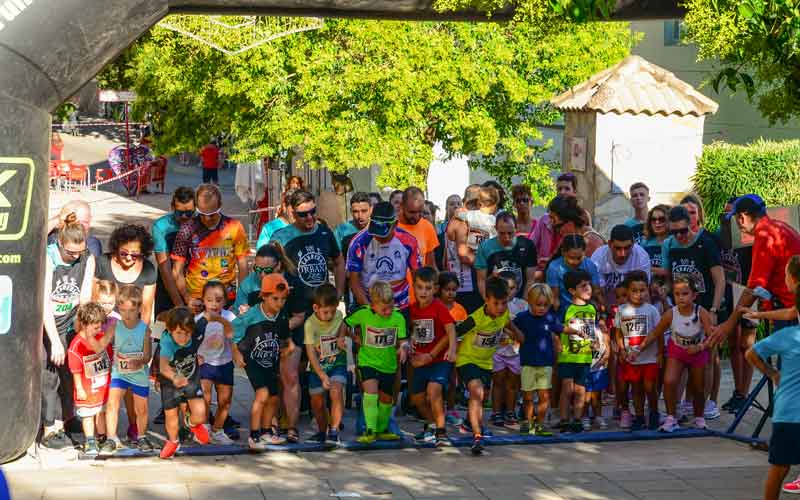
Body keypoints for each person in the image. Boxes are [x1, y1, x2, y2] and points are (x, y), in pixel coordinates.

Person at [662, 204, 725, 419]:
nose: (679, 236)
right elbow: (672, 279)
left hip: (706, 307)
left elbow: (720, 279)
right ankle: (680, 406)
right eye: (674, 231)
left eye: (683, 230)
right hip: (682, 310)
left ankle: (706, 403)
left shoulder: (705, 244)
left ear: (691, 225)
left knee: (707, 358)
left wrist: (714, 309)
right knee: (679, 355)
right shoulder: (671, 246)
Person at [42, 214, 97, 448]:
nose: (75, 257)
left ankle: (68, 417)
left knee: (71, 372)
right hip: (47, 321)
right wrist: (54, 340)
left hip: (70, 319)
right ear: (60, 243)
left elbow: (84, 297)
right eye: (70, 253)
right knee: (50, 372)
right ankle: (48, 427)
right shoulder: (49, 257)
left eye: (79, 252)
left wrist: (84, 333)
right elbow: (44, 301)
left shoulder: (87, 258)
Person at [634, 276, 714, 432]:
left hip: (697, 352)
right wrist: (639, 347)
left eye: (685, 294)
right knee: (669, 381)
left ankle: (699, 417)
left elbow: (712, 337)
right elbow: (655, 333)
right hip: (677, 351)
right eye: (677, 294)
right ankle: (671, 417)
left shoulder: (701, 312)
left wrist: (700, 347)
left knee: (698, 387)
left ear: (694, 295)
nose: (681, 297)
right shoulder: (671, 313)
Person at [455, 276, 524, 455]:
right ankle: (477, 436)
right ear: (487, 300)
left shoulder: (504, 315)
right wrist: (450, 352)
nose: (500, 308)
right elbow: (453, 332)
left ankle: (469, 423)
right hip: (467, 359)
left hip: (486, 362)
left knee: (481, 398)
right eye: (496, 303)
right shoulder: (475, 319)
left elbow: (511, 327)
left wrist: (516, 334)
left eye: (504, 303)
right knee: (476, 392)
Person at [717, 194, 800, 337]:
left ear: (742, 218)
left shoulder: (764, 236)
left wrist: (729, 324)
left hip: (790, 312)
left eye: (735, 218)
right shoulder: (780, 226)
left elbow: (754, 288)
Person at [232, 274, 295, 449]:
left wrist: (289, 345)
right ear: (264, 296)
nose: (279, 303)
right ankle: (254, 436)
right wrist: (236, 352)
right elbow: (234, 331)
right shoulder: (252, 315)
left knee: (274, 398)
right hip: (252, 359)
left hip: (271, 360)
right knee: (262, 394)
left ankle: (266, 431)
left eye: (283, 299)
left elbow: (285, 334)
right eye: (275, 299)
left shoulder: (280, 315)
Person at [745, 305, 800, 499]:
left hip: (787, 413)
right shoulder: (789, 335)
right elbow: (751, 353)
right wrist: (773, 373)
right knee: (779, 468)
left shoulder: (787, 335)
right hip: (790, 414)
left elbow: (751, 354)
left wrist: (772, 373)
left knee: (780, 468)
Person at [345, 281, 408, 444]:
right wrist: (352, 337)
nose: (388, 312)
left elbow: (403, 339)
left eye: (390, 307)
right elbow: (344, 323)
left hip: (388, 365)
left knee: (386, 399)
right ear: (373, 305)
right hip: (368, 362)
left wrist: (404, 347)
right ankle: (370, 429)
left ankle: (382, 429)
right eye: (384, 309)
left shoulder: (398, 317)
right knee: (371, 394)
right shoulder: (364, 313)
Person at [172, 184, 249, 309]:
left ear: (220, 206)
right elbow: (176, 270)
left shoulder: (234, 227)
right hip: (197, 299)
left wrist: (240, 299)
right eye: (202, 213)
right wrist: (187, 298)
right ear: (196, 206)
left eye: (212, 214)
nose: (207, 218)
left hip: (226, 298)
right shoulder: (186, 229)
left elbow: (243, 265)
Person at [409, 267, 457, 446]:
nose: (423, 292)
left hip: (438, 361)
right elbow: (406, 332)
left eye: (428, 288)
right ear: (414, 287)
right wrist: (407, 346)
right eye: (420, 287)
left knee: (434, 390)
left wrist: (452, 349)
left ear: (435, 289)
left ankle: (441, 432)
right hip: (419, 362)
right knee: (417, 400)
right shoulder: (411, 309)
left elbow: (451, 329)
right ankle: (432, 425)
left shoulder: (438, 307)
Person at [103, 285, 153, 453]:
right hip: (120, 373)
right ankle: (111, 437)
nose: (127, 315)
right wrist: (86, 337)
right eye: (123, 310)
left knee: (142, 408)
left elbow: (147, 357)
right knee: (112, 404)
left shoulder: (144, 329)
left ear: (139, 308)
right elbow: (100, 346)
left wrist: (136, 362)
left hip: (138, 374)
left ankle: (141, 436)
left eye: (131, 310)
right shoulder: (115, 326)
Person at [157, 307, 211, 458]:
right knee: (171, 416)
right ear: (170, 330)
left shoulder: (197, 330)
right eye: (178, 333)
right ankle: (173, 441)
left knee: (200, 415)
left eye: (187, 333)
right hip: (170, 381)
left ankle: (191, 423)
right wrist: (175, 378)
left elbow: (208, 315)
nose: (183, 338)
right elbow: (163, 366)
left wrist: (225, 324)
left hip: (190, 379)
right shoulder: (167, 342)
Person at [346, 201, 421, 310]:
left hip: (400, 304)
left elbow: (417, 276)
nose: (378, 237)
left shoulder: (409, 241)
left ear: (395, 224)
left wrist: (419, 306)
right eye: (375, 231)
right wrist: (369, 309)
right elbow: (354, 280)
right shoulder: (359, 242)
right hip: (369, 303)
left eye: (383, 234)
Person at [514, 284, 563, 436]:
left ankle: (540, 424)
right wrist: (513, 335)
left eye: (546, 305)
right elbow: (509, 327)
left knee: (544, 396)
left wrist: (576, 331)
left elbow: (560, 329)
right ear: (529, 301)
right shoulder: (522, 317)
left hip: (545, 363)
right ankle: (528, 423)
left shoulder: (550, 317)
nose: (542, 308)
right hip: (527, 362)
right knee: (528, 397)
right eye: (538, 304)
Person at [615, 271, 662, 431]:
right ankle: (639, 416)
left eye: (642, 290)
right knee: (636, 388)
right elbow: (618, 332)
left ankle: (654, 413)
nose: (638, 294)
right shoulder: (621, 310)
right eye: (634, 290)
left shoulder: (652, 310)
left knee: (650, 388)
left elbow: (658, 332)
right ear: (627, 291)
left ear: (647, 290)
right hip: (631, 359)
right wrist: (621, 350)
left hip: (650, 358)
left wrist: (661, 353)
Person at [67, 303, 113, 456]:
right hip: (86, 388)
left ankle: (101, 437)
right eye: (95, 327)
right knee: (87, 415)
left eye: (101, 326)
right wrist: (79, 388)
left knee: (101, 412)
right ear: (84, 325)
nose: (99, 330)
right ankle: (90, 440)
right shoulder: (76, 346)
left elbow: (109, 357)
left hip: (102, 386)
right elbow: (76, 370)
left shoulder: (100, 338)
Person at [304, 284, 348, 444]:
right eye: (325, 312)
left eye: (333, 310)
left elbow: (345, 325)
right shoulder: (310, 324)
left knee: (336, 392)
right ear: (315, 308)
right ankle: (323, 431)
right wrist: (321, 375)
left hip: (337, 362)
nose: (330, 315)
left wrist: (343, 336)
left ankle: (334, 430)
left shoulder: (338, 316)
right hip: (318, 367)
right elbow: (310, 353)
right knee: (317, 401)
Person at [556, 270, 598, 433]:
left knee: (581, 390)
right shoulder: (566, 308)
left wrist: (594, 343)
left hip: (584, 357)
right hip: (568, 356)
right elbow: (557, 327)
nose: (588, 288)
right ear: (572, 291)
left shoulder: (592, 308)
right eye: (583, 286)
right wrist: (558, 343)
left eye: (589, 285)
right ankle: (564, 419)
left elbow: (591, 329)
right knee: (567, 389)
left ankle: (577, 420)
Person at [195, 281, 237, 445]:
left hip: (224, 362)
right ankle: (204, 427)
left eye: (218, 300)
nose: (214, 304)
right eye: (210, 300)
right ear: (203, 301)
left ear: (225, 301)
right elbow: (191, 341)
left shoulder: (229, 317)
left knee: (225, 401)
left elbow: (233, 336)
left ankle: (218, 430)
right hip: (204, 363)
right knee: (204, 398)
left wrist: (220, 320)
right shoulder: (198, 319)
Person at [444, 186, 497, 313]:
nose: (477, 206)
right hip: (465, 285)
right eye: (472, 202)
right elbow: (464, 255)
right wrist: (489, 266)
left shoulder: (478, 219)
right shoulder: (461, 220)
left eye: (479, 202)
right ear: (465, 202)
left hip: (474, 282)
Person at [95, 224, 157, 323]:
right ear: (116, 248)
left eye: (134, 254)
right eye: (123, 253)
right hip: (101, 323)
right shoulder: (103, 262)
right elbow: (92, 297)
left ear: (142, 252)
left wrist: (142, 333)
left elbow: (146, 309)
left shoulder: (148, 269)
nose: (128, 258)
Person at [489, 271, 527, 428]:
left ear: (517, 288)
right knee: (498, 382)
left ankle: (510, 412)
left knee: (512, 383)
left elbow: (524, 329)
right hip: (497, 350)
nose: (508, 291)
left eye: (512, 288)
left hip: (515, 351)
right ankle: (496, 412)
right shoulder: (493, 305)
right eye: (505, 287)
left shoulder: (522, 305)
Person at [475, 212, 537, 301]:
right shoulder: (485, 247)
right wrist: (490, 302)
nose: (506, 237)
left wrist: (523, 304)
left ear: (516, 228)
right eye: (502, 233)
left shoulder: (527, 245)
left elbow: (530, 279)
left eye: (510, 233)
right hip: (495, 298)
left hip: (519, 298)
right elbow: (481, 281)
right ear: (495, 229)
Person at [152, 187, 195, 314]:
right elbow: (165, 269)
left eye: (189, 213)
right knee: (161, 330)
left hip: (194, 284)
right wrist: (180, 305)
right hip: (167, 285)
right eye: (179, 212)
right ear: (172, 207)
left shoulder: (200, 222)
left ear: (195, 209)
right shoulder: (160, 226)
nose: (184, 217)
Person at [591, 224, 651, 309]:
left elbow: (644, 291)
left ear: (633, 244)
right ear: (609, 244)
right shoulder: (599, 257)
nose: (623, 254)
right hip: (606, 303)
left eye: (627, 248)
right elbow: (598, 290)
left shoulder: (641, 257)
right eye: (618, 248)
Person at [437, 272, 468, 426]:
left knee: (452, 382)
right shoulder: (434, 306)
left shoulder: (460, 310)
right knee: (437, 383)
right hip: (436, 353)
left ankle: (450, 409)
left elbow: (463, 333)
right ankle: (437, 410)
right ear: (439, 289)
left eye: (454, 289)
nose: (451, 293)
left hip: (454, 353)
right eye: (447, 289)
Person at [233, 242, 299, 313]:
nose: (262, 275)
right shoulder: (247, 285)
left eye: (268, 270)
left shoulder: (292, 282)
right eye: (258, 269)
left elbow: (299, 317)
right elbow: (237, 314)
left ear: (278, 266)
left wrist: (279, 324)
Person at [546, 234, 600, 318]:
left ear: (584, 252)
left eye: (579, 258)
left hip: (586, 308)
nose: (575, 262)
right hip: (564, 310)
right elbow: (555, 298)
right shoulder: (554, 268)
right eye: (571, 258)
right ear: (563, 252)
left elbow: (596, 291)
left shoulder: (590, 265)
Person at [398, 187, 440, 268]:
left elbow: (430, 265)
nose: (417, 217)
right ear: (402, 205)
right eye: (412, 212)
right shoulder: (391, 227)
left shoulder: (427, 226)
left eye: (420, 211)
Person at [642, 204, 671, 280]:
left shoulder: (674, 242)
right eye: (653, 219)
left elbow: (671, 271)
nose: (657, 223)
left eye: (661, 219)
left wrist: (649, 269)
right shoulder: (645, 243)